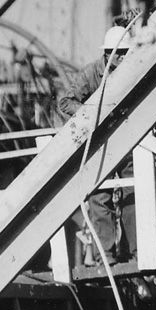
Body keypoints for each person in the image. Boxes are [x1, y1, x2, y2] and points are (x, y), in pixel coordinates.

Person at [56, 23, 137, 263]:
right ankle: (107, 255)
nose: (123, 58)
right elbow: (66, 102)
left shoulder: (134, 69)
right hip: (99, 143)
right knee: (100, 197)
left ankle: (135, 251)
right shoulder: (91, 74)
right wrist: (93, 116)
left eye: (125, 53)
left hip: (126, 139)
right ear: (107, 54)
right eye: (119, 53)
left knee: (132, 195)